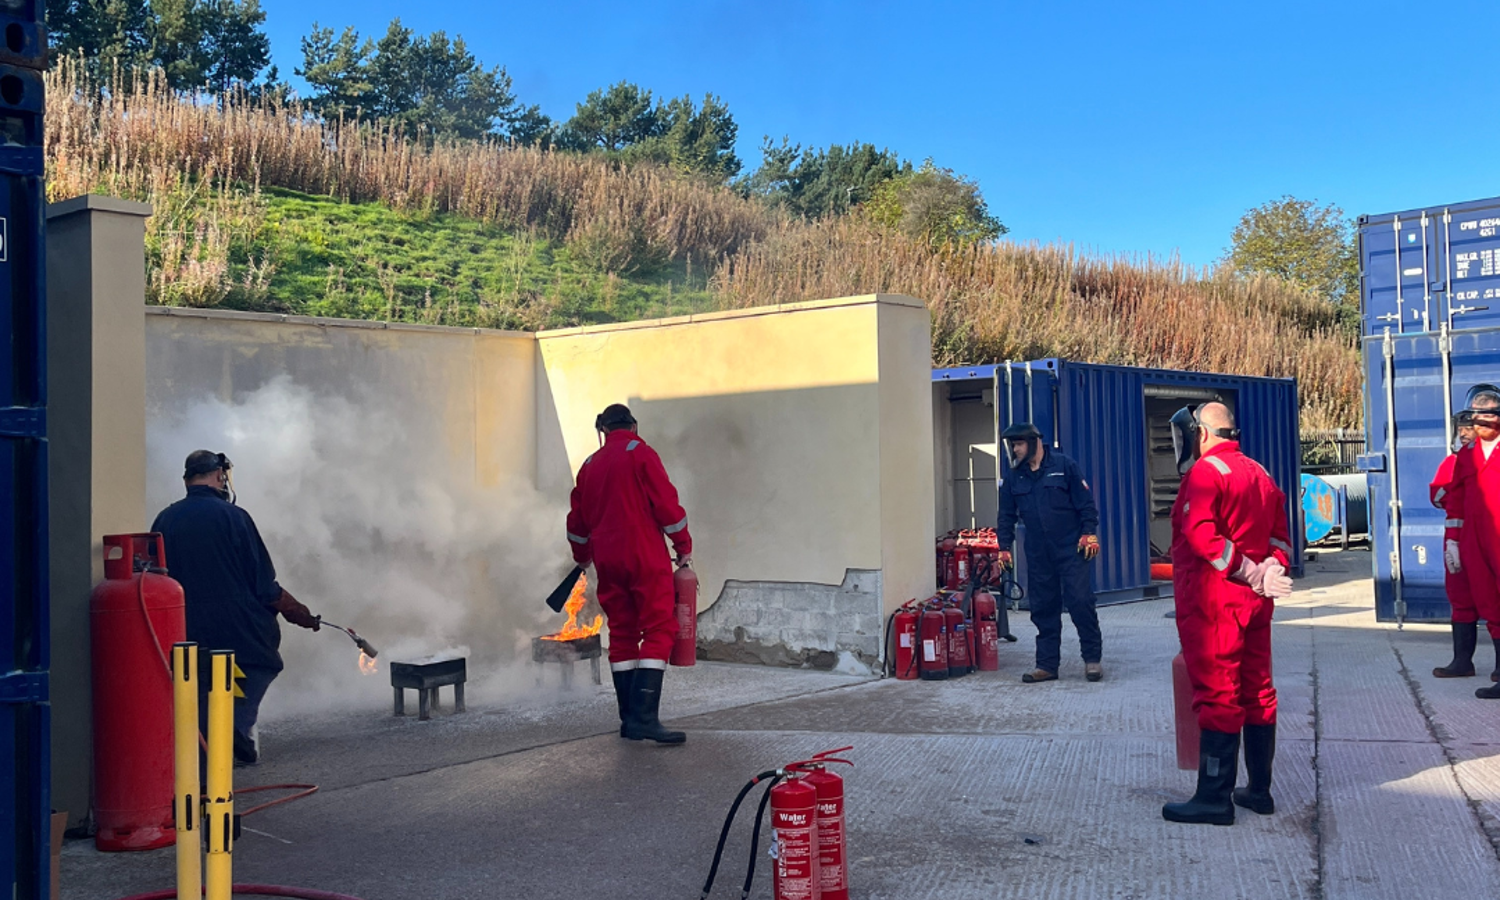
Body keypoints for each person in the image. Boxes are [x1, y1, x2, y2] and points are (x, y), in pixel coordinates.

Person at [1162, 402, 1293, 826]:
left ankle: (1214, 799)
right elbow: (1282, 539)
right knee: (1257, 690)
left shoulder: (1204, 473)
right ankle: (1259, 791)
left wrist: (1251, 570)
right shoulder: (1260, 472)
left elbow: (1202, 536)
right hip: (1255, 602)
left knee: (1219, 693)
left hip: (1214, 600)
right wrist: (1271, 567)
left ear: (1201, 433)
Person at [151, 450, 321, 765]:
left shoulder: (165, 519)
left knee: (199, 681)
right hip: (238, 627)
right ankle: (233, 730)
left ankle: (206, 745)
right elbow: (264, 586)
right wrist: (297, 612)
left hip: (185, 628)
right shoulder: (234, 517)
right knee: (261, 664)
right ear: (219, 476)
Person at [566, 404, 693, 744]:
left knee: (622, 632)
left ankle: (628, 720)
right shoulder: (642, 454)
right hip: (643, 555)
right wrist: (683, 546)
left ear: (603, 430)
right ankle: (644, 717)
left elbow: (577, 524)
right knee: (660, 625)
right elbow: (667, 507)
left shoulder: (589, 466)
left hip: (608, 560)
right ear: (633, 425)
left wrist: (583, 558)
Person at [995, 422, 1104, 684]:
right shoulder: (1014, 476)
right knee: (1043, 607)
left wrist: (1088, 532)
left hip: (1070, 549)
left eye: (1019, 444)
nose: (1016, 450)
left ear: (1034, 443)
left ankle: (1092, 659)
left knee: (1079, 602)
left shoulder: (1064, 466)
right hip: (1038, 553)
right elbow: (1006, 515)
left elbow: (1086, 505)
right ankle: (1046, 665)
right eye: (1013, 445)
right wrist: (1003, 547)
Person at [1444, 385, 1500, 700]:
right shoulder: (1467, 455)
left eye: (1488, 417)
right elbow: (1456, 500)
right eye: (1476, 418)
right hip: (1475, 541)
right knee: (1489, 603)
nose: (1480, 424)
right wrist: (1453, 541)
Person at [1432, 412, 1491, 679]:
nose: (1464, 433)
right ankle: (1462, 661)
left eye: (1470, 429)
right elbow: (1439, 496)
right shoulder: (1454, 462)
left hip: (1488, 537)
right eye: (1462, 429)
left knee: (1493, 598)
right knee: (1460, 597)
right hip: (1457, 537)